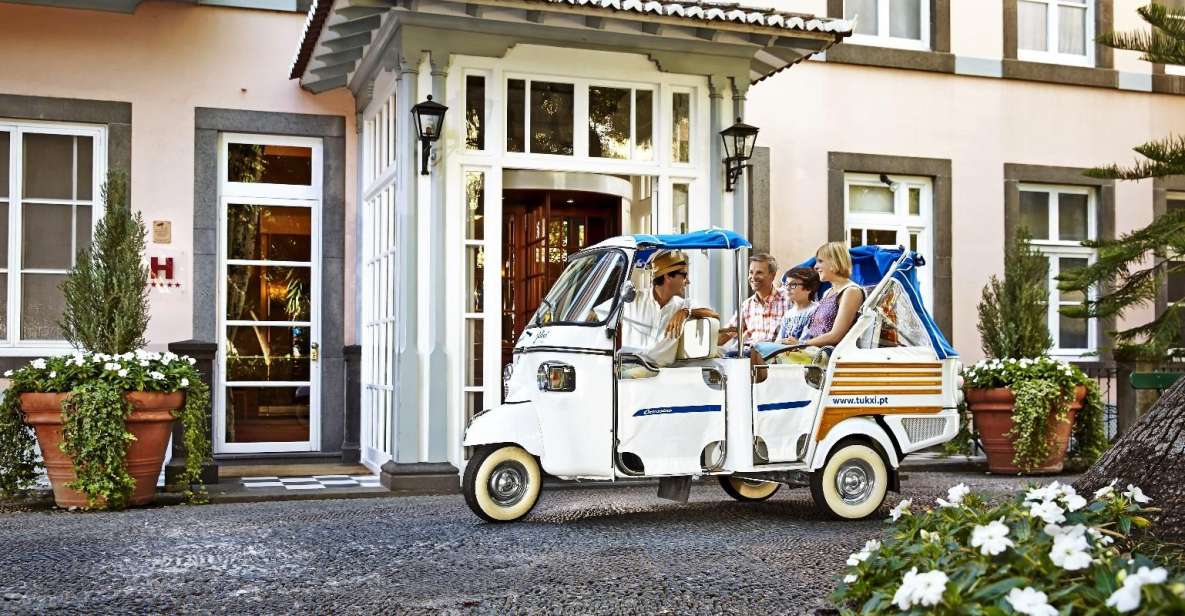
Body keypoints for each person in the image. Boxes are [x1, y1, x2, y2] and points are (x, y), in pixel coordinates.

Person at [605, 250, 718, 371]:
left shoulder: (683, 305)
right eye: (684, 275)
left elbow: (714, 315)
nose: (688, 281)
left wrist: (686, 312)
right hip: (625, 373)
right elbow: (595, 316)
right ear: (668, 276)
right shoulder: (633, 299)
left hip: (659, 378)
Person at [757, 242, 864, 365]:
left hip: (827, 353)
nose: (816, 267)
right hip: (811, 348)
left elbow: (836, 335)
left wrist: (801, 344)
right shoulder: (828, 292)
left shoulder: (851, 291)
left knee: (763, 354)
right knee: (758, 349)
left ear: (834, 262)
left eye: (820, 261)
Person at [718, 253, 787, 357]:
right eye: (751, 272)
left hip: (775, 357)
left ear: (772, 275)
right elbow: (728, 332)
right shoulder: (747, 305)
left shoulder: (787, 299)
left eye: (759, 272)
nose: (753, 277)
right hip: (749, 356)